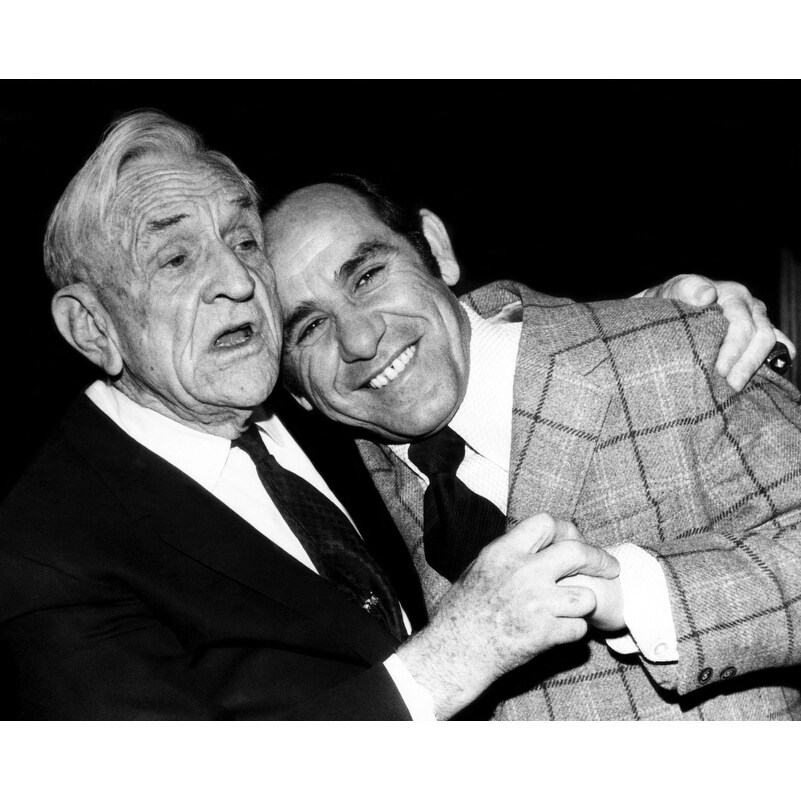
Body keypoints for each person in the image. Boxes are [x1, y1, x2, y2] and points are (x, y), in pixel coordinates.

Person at [0, 110, 632, 721]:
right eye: (176, 259)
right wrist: (456, 656)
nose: (239, 280)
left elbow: (426, 323)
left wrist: (631, 324)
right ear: (92, 326)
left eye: (243, 240)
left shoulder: (322, 392)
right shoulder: (44, 546)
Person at [263, 175, 801, 720]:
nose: (359, 339)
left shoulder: (676, 348)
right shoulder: (335, 511)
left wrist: (628, 592)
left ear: (437, 249)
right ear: (294, 389)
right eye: (310, 328)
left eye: (368, 276)